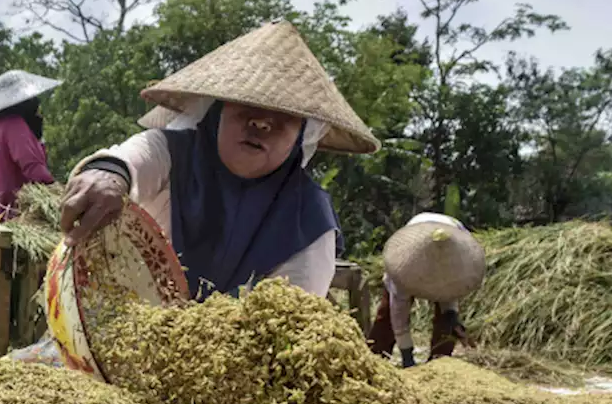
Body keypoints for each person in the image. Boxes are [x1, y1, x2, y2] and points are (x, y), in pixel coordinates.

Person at [59, 21, 380, 302]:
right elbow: (125, 163)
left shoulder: (309, 220)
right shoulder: (173, 152)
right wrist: (108, 177)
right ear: (217, 111)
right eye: (246, 105)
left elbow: (288, 324)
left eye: (284, 116)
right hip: (130, 319)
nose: (262, 124)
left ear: (301, 136)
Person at [368, 212, 486, 367]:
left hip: (450, 243)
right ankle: (376, 360)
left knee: (447, 324)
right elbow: (398, 314)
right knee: (387, 317)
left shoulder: (456, 258)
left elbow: (452, 288)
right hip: (414, 242)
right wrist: (407, 354)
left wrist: (451, 314)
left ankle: (440, 363)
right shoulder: (404, 267)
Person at [0, 70, 61, 221]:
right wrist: (57, 191)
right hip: (10, 212)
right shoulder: (14, 124)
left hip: (0, 209)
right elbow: (32, 166)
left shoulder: (1, 124)